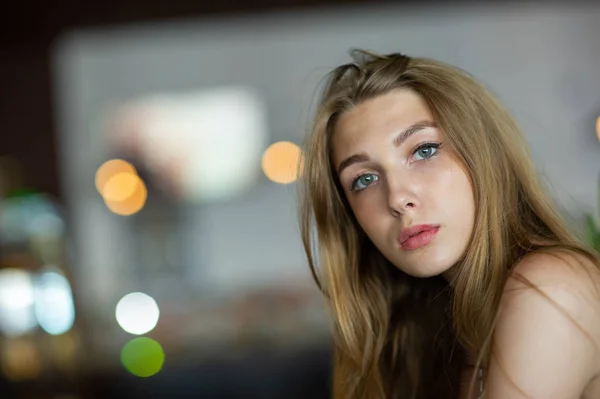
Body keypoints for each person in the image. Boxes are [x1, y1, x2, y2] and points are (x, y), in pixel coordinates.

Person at [298, 50, 600, 399]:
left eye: (424, 150)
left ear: (482, 152)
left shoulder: (551, 285)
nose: (397, 198)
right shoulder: (433, 332)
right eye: (364, 179)